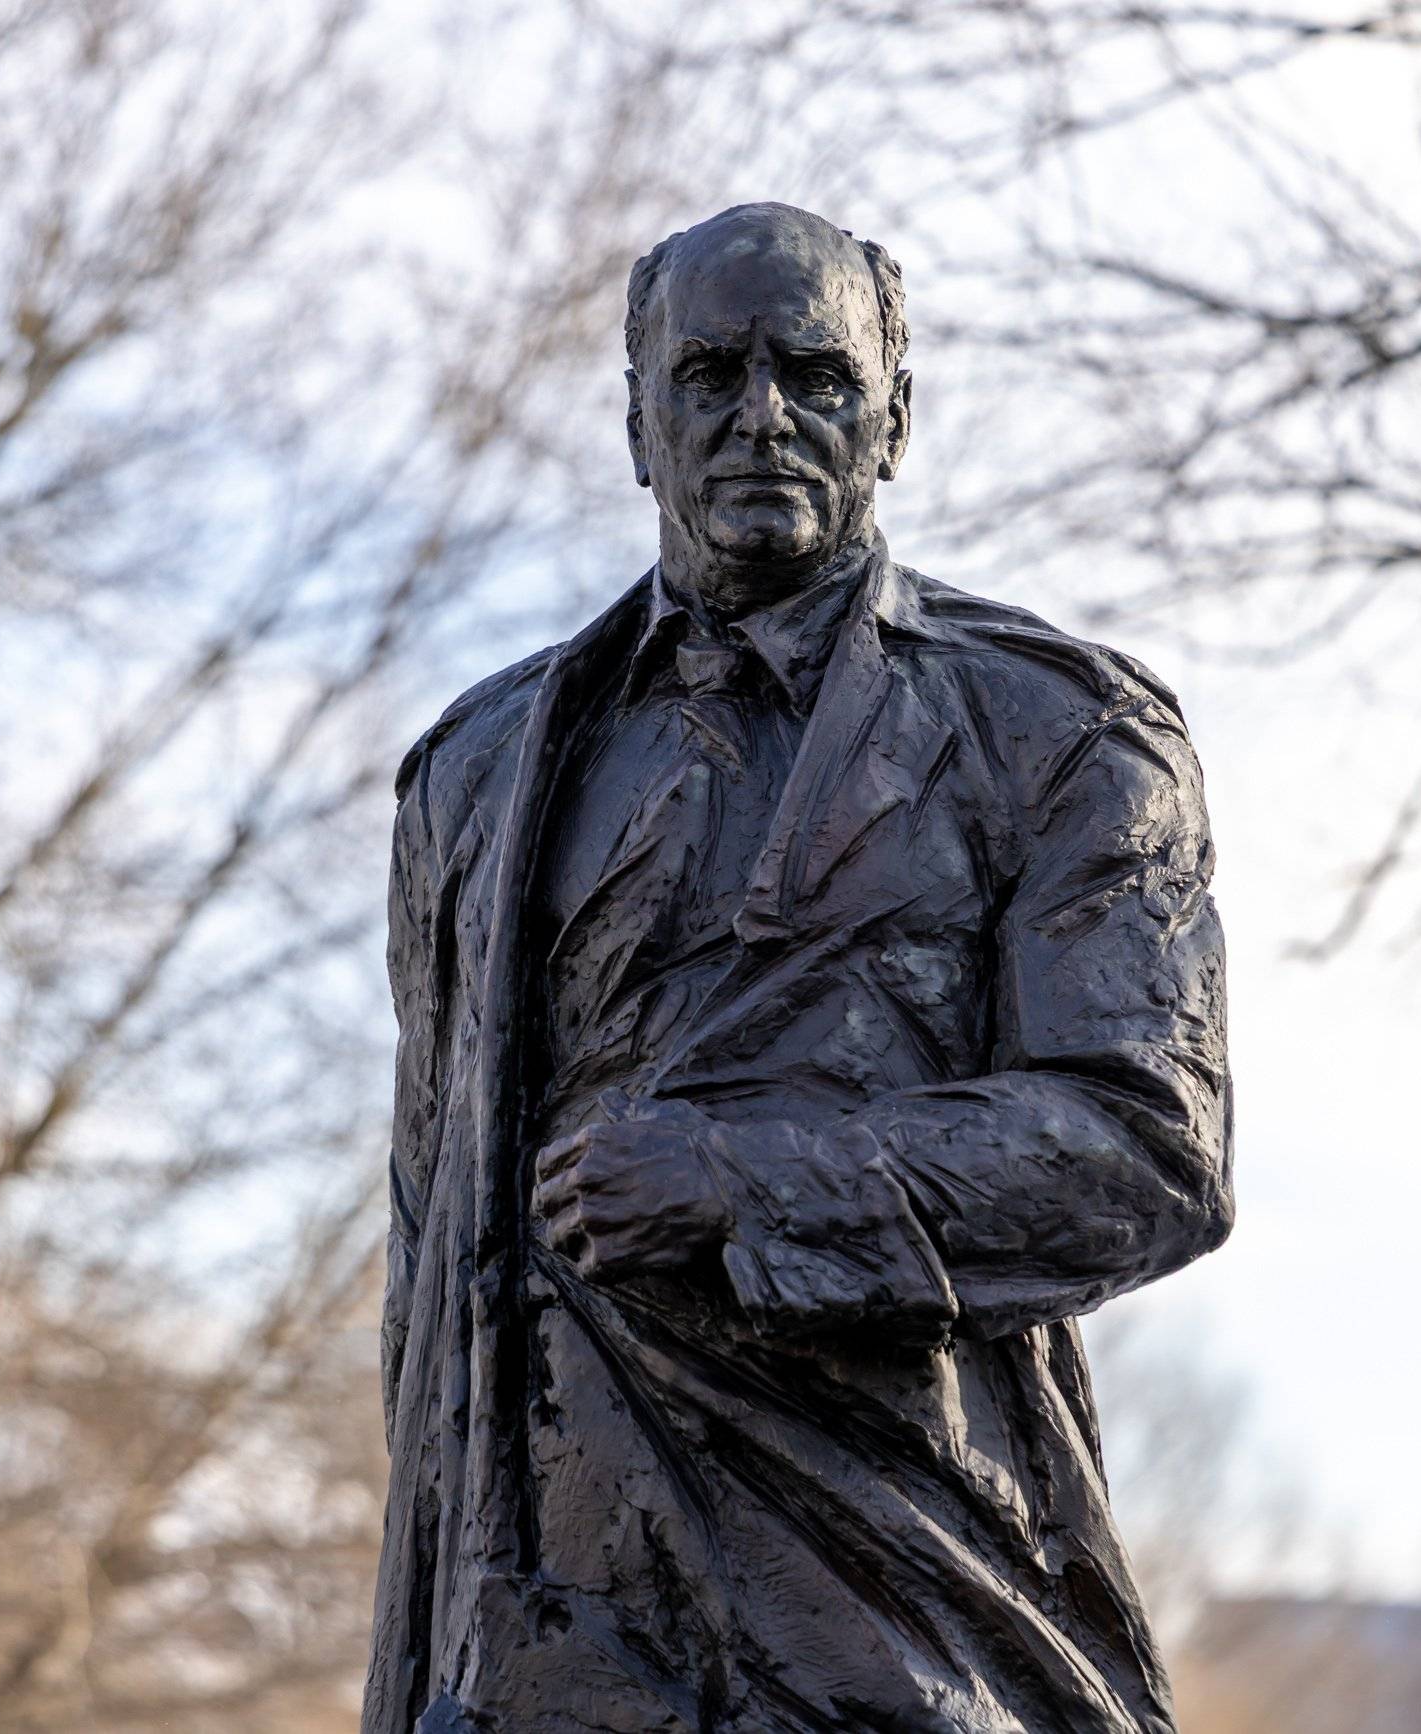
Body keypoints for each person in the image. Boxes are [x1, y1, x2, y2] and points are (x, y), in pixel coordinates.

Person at [364, 201, 1234, 1734]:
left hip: (904, 1609)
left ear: (895, 417)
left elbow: (1148, 1145)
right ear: (638, 423)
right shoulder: (476, 772)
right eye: (710, 373)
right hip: (550, 1644)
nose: (762, 414)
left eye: (817, 375)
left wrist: (741, 1182)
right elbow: (435, 1256)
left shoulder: (1063, 731)